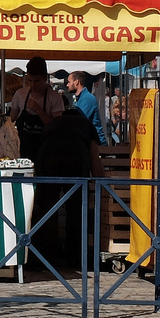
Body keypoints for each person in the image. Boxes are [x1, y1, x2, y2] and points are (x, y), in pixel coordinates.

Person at [32, 107, 107, 268]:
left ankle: (44, 256)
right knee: (77, 208)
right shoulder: (86, 124)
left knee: (46, 207)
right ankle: (76, 258)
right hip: (75, 157)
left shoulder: (53, 124)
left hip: (47, 156)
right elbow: (94, 156)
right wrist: (102, 180)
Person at [9, 58, 64, 162]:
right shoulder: (20, 94)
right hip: (22, 150)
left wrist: (38, 110)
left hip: (46, 151)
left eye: (37, 81)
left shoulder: (54, 98)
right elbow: (11, 121)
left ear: (45, 78)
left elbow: (57, 126)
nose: (33, 85)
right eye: (30, 80)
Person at [65, 71, 108, 146]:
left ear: (77, 82)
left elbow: (79, 121)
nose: (67, 85)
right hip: (89, 142)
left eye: (69, 82)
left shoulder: (87, 98)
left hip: (96, 144)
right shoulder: (81, 98)